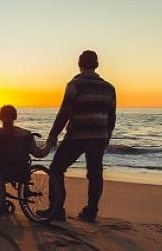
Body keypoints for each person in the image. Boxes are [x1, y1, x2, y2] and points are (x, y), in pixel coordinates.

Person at [44, 50, 116, 223]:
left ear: (79, 64)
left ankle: (56, 210)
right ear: (97, 65)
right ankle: (91, 212)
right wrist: (107, 137)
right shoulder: (109, 88)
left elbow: (64, 113)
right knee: (95, 174)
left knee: (56, 168)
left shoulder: (75, 85)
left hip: (77, 135)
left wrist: (53, 136)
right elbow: (111, 116)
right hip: (99, 136)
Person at [0, 105, 49, 181]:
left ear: (0, 117)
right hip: (20, 171)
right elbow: (39, 154)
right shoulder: (26, 134)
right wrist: (50, 144)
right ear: (15, 117)